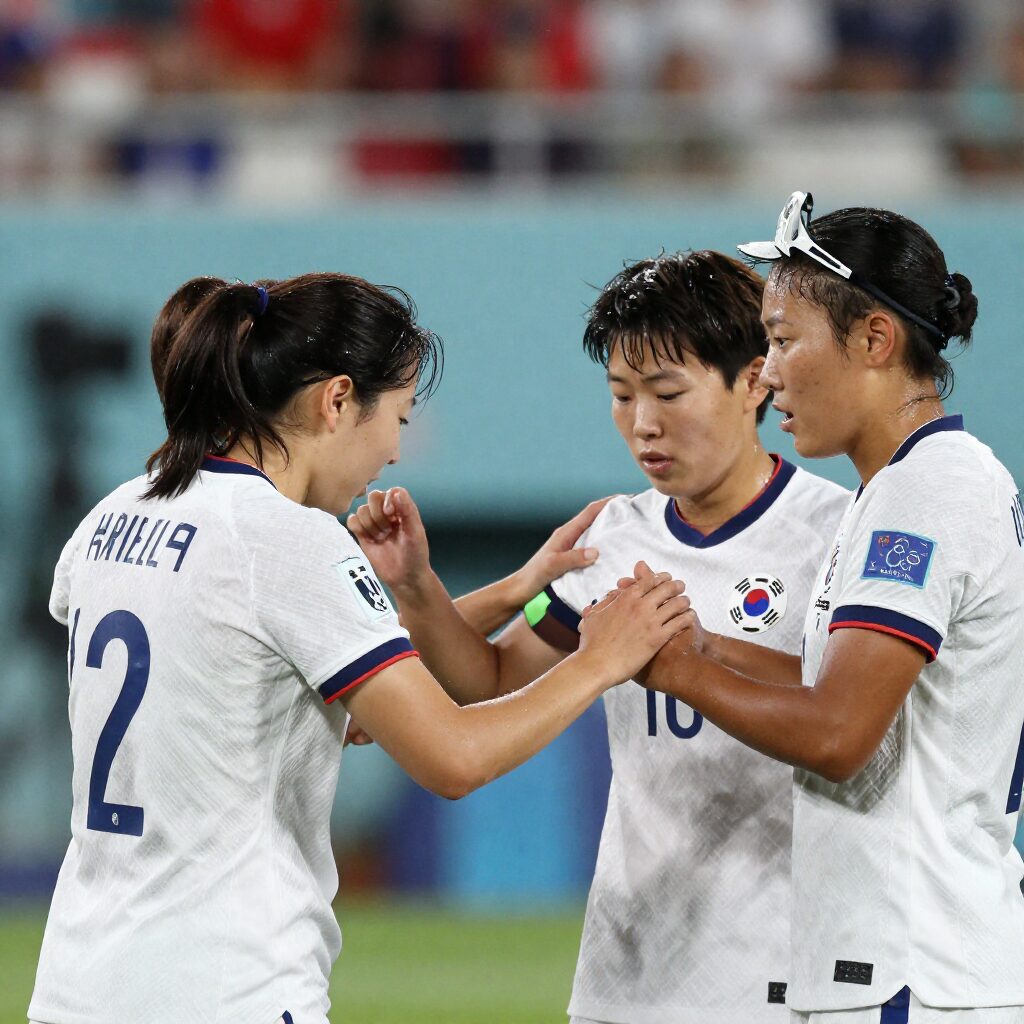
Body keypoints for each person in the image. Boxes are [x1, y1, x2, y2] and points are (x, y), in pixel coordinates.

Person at [28, 272, 691, 1024]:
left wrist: (514, 591)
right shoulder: (289, 540)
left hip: (79, 982)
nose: (396, 455)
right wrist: (600, 659)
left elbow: (257, 675)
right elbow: (453, 758)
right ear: (337, 400)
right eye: (400, 419)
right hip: (225, 984)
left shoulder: (115, 515)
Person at [348, 250, 850, 1024]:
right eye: (621, 395)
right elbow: (487, 678)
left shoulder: (836, 536)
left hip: (786, 969)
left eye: (668, 393)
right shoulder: (615, 534)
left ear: (754, 380)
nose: (642, 423)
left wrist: (703, 659)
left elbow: (856, 723)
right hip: (628, 971)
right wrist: (417, 587)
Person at [629, 193, 1024, 1022]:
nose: (766, 373)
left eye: (781, 341)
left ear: (874, 340)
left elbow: (839, 735)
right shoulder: (908, 486)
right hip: (914, 959)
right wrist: (698, 643)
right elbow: (833, 686)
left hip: (911, 967)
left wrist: (680, 672)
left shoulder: (925, 496)